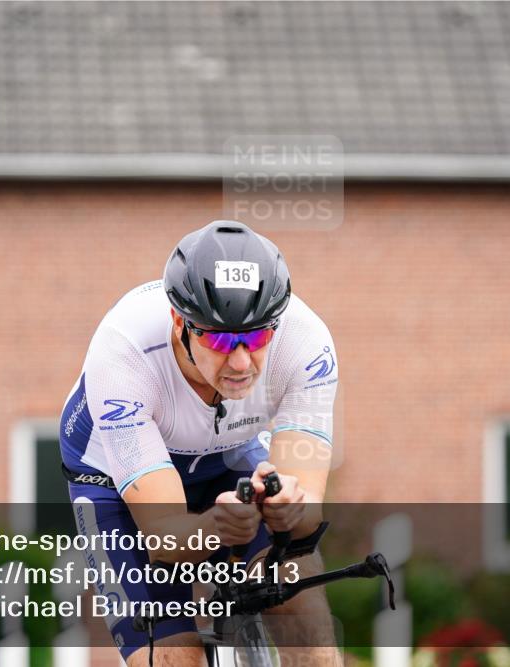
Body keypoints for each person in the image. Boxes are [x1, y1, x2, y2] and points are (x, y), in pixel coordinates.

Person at [60, 220, 340, 665]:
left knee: (298, 588)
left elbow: (307, 520)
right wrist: (215, 527)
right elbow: (164, 539)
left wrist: (290, 507)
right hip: (113, 477)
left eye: (257, 336)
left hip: (230, 456)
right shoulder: (123, 353)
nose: (242, 360)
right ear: (179, 322)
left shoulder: (305, 344)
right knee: (172, 653)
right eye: (222, 338)